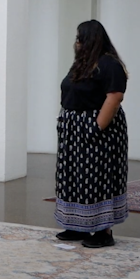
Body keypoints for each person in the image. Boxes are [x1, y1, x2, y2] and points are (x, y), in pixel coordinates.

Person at [55, 19, 129, 248]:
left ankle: (103, 231)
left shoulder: (109, 64)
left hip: (97, 130)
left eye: (80, 38)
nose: (76, 43)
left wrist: (96, 127)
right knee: (73, 176)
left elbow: (115, 97)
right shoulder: (82, 63)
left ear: (91, 40)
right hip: (73, 130)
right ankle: (78, 225)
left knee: (96, 177)